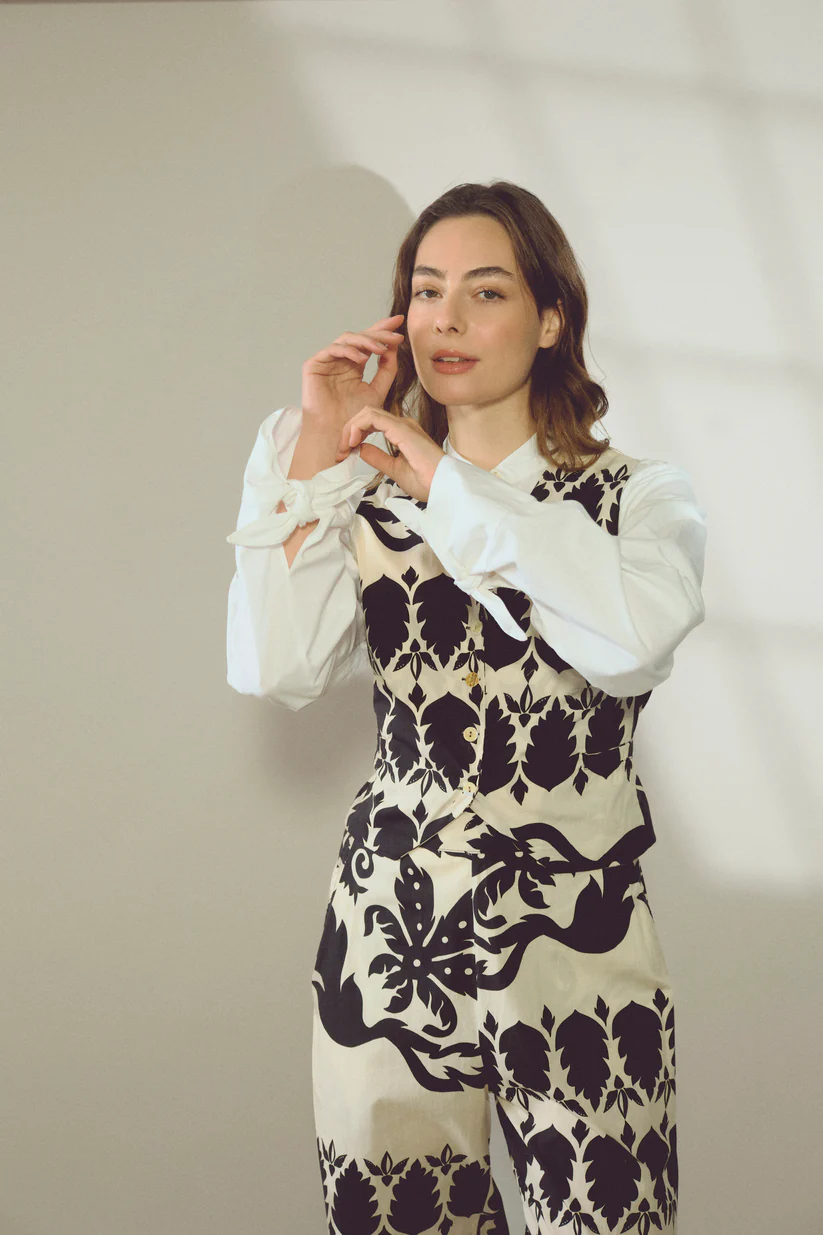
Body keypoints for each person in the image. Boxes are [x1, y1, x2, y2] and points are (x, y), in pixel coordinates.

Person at [226, 180, 706, 1234]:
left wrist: (447, 481)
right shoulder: (351, 486)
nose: (445, 318)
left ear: (550, 318)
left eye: (485, 292)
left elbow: (629, 641)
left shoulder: (640, 499)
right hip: (390, 923)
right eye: (425, 290)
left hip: (580, 935)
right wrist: (315, 450)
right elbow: (275, 666)